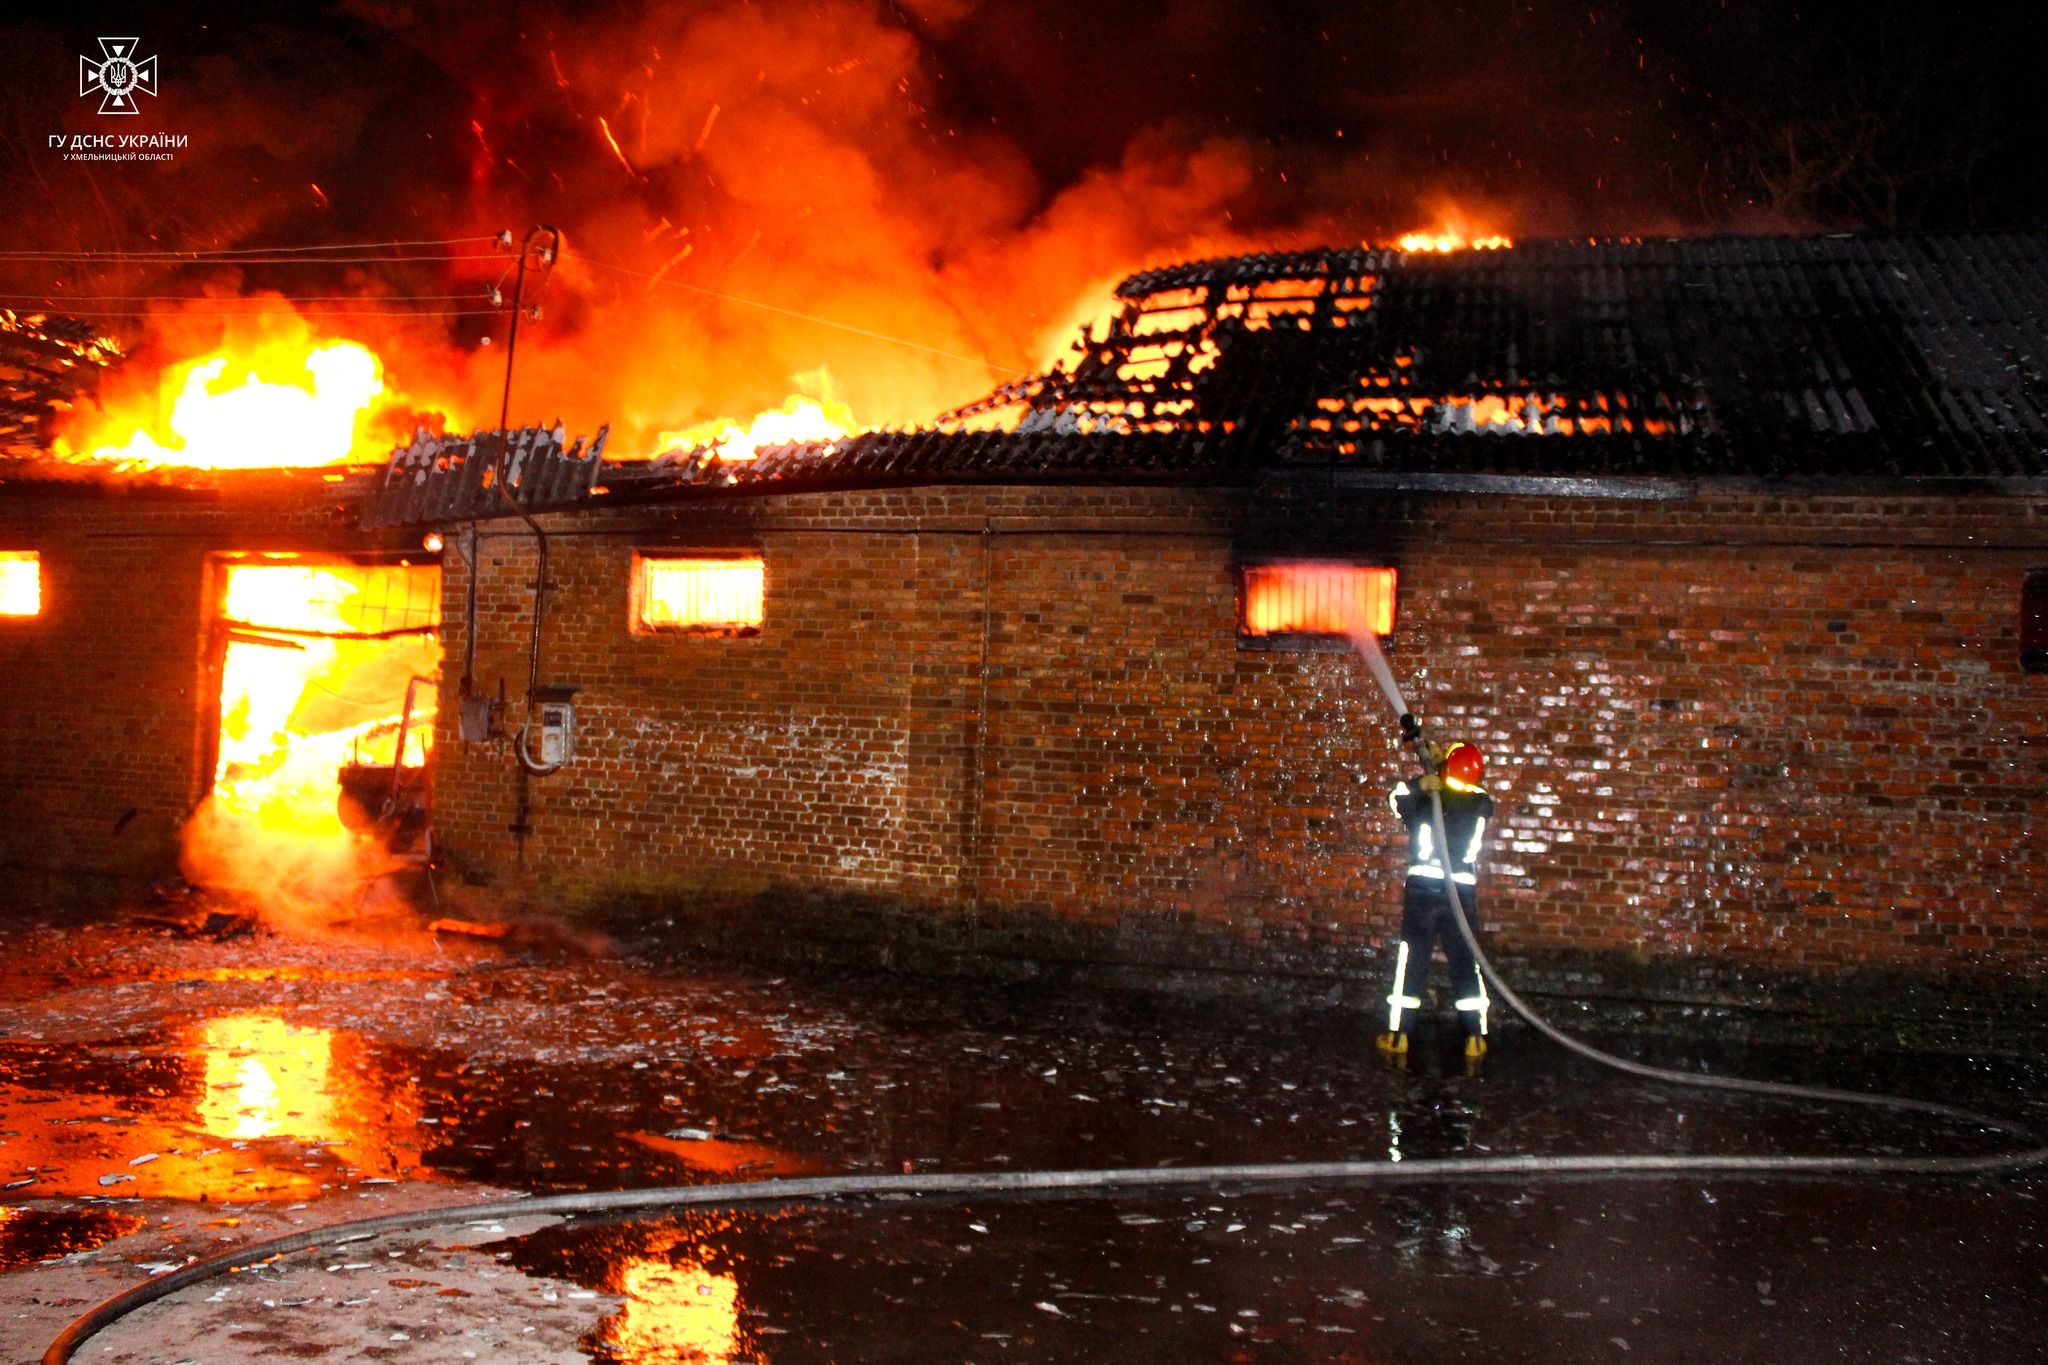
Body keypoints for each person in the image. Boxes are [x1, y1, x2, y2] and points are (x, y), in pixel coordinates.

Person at [1377, 738, 1495, 1061]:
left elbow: (1395, 797)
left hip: (1423, 894)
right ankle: (1476, 1037)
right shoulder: (1481, 804)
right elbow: (1466, 789)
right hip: (1462, 895)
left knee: (1411, 962)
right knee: (1465, 965)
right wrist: (1443, 765)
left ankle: (1399, 1035)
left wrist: (1419, 782)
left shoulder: (1428, 800)